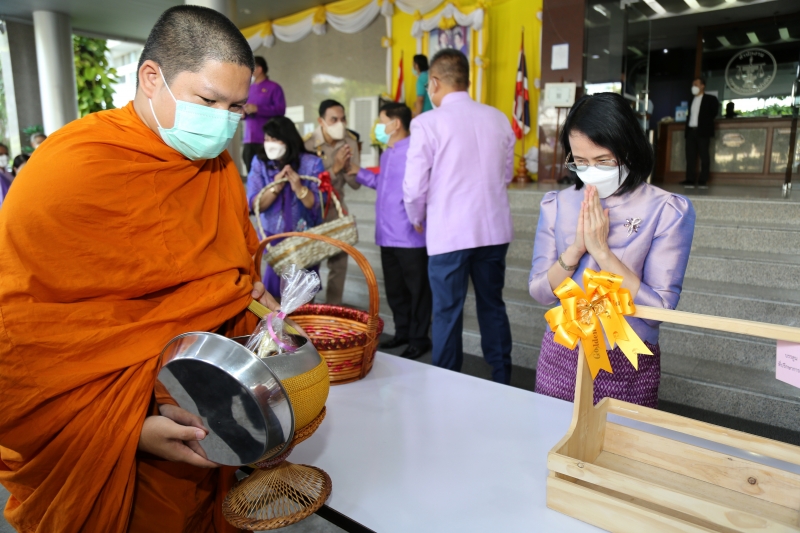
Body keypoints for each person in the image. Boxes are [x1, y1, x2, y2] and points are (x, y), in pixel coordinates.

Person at [0, 6, 285, 532]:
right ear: (152, 78)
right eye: (208, 100)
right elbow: (21, 341)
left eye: (237, 109)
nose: (223, 121)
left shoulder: (217, 165)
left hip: (204, 410)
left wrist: (258, 309)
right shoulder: (69, 171)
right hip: (108, 425)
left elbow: (230, 275)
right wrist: (130, 430)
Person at [529, 92, 695, 408]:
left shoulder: (666, 210)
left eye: (603, 161)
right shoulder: (559, 204)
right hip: (561, 352)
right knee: (552, 439)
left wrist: (603, 253)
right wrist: (576, 249)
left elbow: (660, 309)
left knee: (622, 446)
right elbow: (540, 292)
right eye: (580, 161)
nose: (590, 171)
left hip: (627, 358)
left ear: (628, 146)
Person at [404, 49, 514, 384]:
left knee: (447, 313)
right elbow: (506, 173)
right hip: (494, 230)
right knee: (492, 306)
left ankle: (447, 386)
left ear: (433, 82)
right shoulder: (498, 118)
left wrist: (416, 216)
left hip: (450, 233)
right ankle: (503, 378)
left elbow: (413, 186)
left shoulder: (426, 122)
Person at [350, 103, 432, 359]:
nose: (378, 127)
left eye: (381, 120)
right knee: (396, 290)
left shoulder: (415, 152)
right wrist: (359, 173)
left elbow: (419, 191)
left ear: (396, 123)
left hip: (410, 235)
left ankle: (420, 339)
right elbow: (382, 184)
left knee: (417, 291)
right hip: (386, 234)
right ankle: (403, 333)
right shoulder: (387, 154)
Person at [247, 116, 324, 295]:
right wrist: (276, 186)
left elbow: (318, 204)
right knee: (275, 294)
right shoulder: (260, 162)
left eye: (275, 139)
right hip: (274, 240)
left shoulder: (311, 163)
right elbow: (254, 205)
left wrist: (299, 189)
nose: (269, 144)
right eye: (267, 139)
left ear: (288, 140)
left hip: (304, 238)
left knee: (303, 293)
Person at [304, 99, 360, 306]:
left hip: (336, 210)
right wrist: (334, 168)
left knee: (339, 263)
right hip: (312, 211)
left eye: (343, 119)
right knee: (309, 263)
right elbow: (308, 184)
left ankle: (333, 309)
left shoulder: (350, 141)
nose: (340, 124)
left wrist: (348, 167)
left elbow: (354, 184)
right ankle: (305, 309)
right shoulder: (308, 144)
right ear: (321, 121)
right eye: (334, 119)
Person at [242, 56, 286, 173]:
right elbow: (243, 109)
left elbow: (280, 110)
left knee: (268, 171)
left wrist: (258, 109)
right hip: (249, 138)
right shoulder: (248, 89)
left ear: (259, 69)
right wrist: (242, 113)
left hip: (266, 139)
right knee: (251, 171)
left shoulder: (274, 87)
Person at [681, 77, 718, 189]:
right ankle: (690, 180)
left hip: (703, 132)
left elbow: (713, 113)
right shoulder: (691, 99)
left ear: (703, 86)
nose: (694, 87)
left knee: (704, 156)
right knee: (690, 156)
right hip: (691, 131)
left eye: (696, 85)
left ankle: (703, 180)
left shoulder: (710, 99)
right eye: (693, 85)